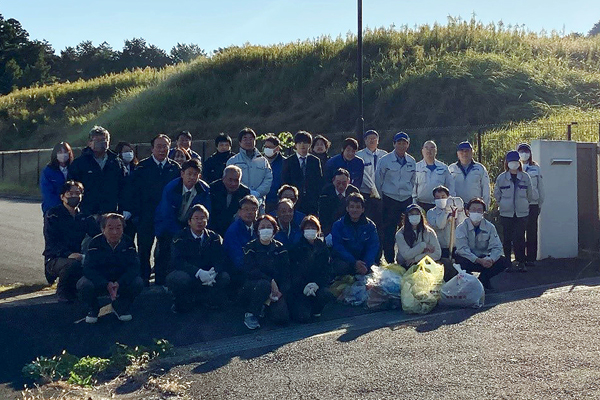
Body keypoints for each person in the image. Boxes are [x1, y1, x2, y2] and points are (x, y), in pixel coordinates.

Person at [131, 134, 181, 286]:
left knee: (164, 249)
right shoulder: (142, 167)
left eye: (165, 146)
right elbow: (133, 192)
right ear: (152, 148)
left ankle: (161, 280)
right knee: (144, 249)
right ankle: (144, 279)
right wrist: (136, 214)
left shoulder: (175, 168)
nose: (162, 149)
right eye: (158, 146)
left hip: (166, 216)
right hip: (146, 215)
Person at [76, 213, 144, 323]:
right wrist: (105, 283)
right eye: (110, 228)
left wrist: (119, 282)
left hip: (120, 280)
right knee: (83, 284)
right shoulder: (94, 243)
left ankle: (121, 306)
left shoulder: (128, 242)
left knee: (138, 282)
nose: (115, 232)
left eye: (118, 228)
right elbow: (88, 269)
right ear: (103, 229)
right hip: (101, 281)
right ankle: (93, 308)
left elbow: (134, 267)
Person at [154, 158, 211, 285]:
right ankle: (159, 284)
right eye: (189, 174)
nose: (192, 177)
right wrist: (179, 232)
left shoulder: (204, 189)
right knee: (164, 252)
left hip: (191, 224)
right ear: (182, 174)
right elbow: (166, 213)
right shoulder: (171, 187)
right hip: (168, 224)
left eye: (195, 174)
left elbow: (206, 212)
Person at [167, 205, 231, 313]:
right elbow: (177, 261)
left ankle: (208, 300)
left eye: (203, 218)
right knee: (179, 279)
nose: (199, 221)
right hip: (188, 273)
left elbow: (221, 257)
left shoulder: (214, 237)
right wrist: (198, 272)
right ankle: (181, 302)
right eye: (196, 218)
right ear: (189, 221)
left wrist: (214, 271)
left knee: (224, 277)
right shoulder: (179, 237)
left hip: (208, 274)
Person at [43, 181, 100, 302]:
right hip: (55, 258)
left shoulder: (84, 215)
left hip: (78, 255)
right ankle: (62, 292)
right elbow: (51, 241)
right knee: (72, 264)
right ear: (62, 196)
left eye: (77, 193)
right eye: (70, 193)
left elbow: (97, 235)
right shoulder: (53, 215)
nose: (74, 196)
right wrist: (68, 254)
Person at [241, 214, 290, 329]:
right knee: (264, 285)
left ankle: (266, 308)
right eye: (262, 227)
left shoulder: (280, 248)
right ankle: (251, 313)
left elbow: (286, 273)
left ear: (274, 230)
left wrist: (280, 291)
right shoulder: (250, 247)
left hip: (275, 290)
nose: (266, 229)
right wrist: (270, 281)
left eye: (269, 226)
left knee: (282, 318)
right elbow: (250, 271)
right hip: (255, 286)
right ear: (257, 230)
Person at [67, 126, 127, 218]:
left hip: (110, 213)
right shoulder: (79, 163)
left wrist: (124, 209)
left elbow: (124, 187)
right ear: (89, 143)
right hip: (87, 213)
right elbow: (72, 188)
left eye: (104, 140)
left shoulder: (116, 162)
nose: (101, 143)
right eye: (97, 140)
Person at [375, 132, 416, 263]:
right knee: (389, 231)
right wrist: (382, 196)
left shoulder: (412, 161)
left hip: (406, 199)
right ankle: (389, 260)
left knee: (408, 230)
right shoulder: (385, 160)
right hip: (390, 199)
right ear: (394, 144)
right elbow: (378, 179)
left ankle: (406, 259)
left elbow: (413, 180)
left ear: (408, 145)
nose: (401, 145)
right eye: (399, 143)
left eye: (404, 143)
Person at [454, 198, 510, 291]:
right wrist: (478, 260)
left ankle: (483, 280)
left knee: (503, 261)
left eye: (479, 210)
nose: (476, 212)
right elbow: (462, 249)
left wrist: (491, 259)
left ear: (483, 212)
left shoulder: (490, 227)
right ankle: (468, 283)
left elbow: (497, 247)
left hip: (485, 258)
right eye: (473, 210)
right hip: (469, 258)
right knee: (458, 259)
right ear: (467, 212)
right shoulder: (461, 227)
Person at [288, 215, 333, 322]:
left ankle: (317, 309)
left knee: (326, 294)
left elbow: (327, 271)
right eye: (307, 228)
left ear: (318, 230)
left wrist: (317, 284)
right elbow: (293, 271)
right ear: (302, 230)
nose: (310, 231)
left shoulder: (323, 248)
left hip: (317, 286)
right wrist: (303, 286)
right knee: (302, 318)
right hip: (300, 288)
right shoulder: (296, 248)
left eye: (313, 228)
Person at [494, 150, 533, 272]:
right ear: (507, 163)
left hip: (521, 213)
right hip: (506, 213)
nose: (513, 164)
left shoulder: (525, 177)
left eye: (515, 161)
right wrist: (503, 204)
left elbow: (530, 194)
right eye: (511, 161)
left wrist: (525, 204)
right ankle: (508, 263)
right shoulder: (502, 178)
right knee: (507, 238)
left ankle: (521, 262)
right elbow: (497, 194)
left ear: (519, 162)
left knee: (520, 238)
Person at [330, 193, 379, 277]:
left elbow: (373, 247)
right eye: (352, 207)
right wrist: (354, 262)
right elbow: (338, 247)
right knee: (341, 268)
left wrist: (366, 264)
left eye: (358, 207)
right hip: (345, 261)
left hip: (364, 262)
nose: (354, 210)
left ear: (363, 209)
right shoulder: (338, 225)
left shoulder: (370, 226)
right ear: (347, 208)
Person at [226, 128, 273, 206]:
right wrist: (246, 192)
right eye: (245, 139)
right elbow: (229, 180)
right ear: (240, 142)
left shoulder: (263, 161)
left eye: (251, 139)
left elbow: (268, 179)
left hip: (259, 202)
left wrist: (258, 193)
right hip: (238, 202)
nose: (248, 141)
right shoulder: (233, 161)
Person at [395, 204, 446, 276]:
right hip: (406, 266)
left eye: (417, 214)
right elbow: (406, 255)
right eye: (412, 214)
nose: (415, 216)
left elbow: (437, 254)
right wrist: (423, 246)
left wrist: (416, 258)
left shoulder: (429, 232)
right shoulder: (400, 234)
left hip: (426, 265)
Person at [281, 131, 323, 216]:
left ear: (310, 145)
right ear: (295, 145)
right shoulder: (288, 161)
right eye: (299, 143)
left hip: (312, 201)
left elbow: (319, 181)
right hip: (294, 201)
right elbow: (285, 181)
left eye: (305, 143)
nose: (302, 145)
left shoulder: (315, 161)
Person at [223, 195, 259, 290]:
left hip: (255, 270)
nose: (249, 212)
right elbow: (238, 260)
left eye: (253, 209)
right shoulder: (233, 230)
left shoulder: (258, 228)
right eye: (246, 209)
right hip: (237, 273)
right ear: (239, 212)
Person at [517, 143, 544, 266]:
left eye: (526, 151)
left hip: (533, 203)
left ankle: (531, 258)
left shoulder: (535, 168)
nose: (524, 153)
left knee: (532, 231)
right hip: (519, 204)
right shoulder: (514, 167)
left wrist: (540, 203)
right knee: (519, 231)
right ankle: (520, 258)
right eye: (521, 151)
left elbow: (540, 187)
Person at [356, 130, 387, 230]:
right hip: (366, 193)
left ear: (378, 141)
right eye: (370, 138)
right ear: (365, 140)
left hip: (382, 193)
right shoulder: (359, 155)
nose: (372, 141)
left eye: (375, 139)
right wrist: (372, 188)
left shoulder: (384, 155)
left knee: (381, 222)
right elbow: (362, 174)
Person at [209, 165, 250, 237]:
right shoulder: (213, 188)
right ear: (223, 178)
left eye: (236, 180)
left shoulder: (244, 192)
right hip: (213, 227)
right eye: (230, 180)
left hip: (233, 230)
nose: (233, 184)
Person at [413, 140, 455, 211]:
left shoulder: (444, 168)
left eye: (432, 148)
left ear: (436, 151)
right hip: (421, 205)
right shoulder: (416, 167)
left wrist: (449, 204)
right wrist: (414, 205)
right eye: (426, 148)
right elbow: (413, 189)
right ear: (422, 151)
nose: (429, 150)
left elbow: (450, 187)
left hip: (440, 205)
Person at [426, 185, 467, 259]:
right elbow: (440, 225)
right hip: (440, 247)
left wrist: (460, 211)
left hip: (455, 247)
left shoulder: (454, 210)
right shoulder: (431, 212)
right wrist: (445, 212)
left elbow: (462, 225)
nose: (440, 199)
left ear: (448, 197)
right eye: (437, 197)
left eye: (443, 197)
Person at [448, 141, 491, 209]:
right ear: (457, 154)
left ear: (472, 153)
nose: (464, 153)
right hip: (457, 208)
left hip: (475, 207)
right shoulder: (451, 168)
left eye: (467, 151)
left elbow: (486, 189)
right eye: (462, 151)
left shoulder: (480, 168)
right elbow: (448, 188)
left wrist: (485, 207)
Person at [318, 168, 359, 236]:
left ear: (348, 182)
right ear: (333, 181)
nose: (341, 186)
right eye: (338, 182)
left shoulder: (354, 191)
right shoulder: (326, 192)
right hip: (330, 228)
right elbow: (323, 217)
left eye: (344, 183)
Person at [40, 142, 74, 214]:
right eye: (60, 152)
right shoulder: (48, 171)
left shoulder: (74, 169)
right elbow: (48, 194)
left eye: (65, 152)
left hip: (72, 210)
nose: (63, 154)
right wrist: (62, 207)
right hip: (52, 210)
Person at [115, 141, 138, 240]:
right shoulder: (115, 168)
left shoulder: (137, 169)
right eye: (125, 151)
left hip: (133, 211)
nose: (129, 153)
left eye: (130, 151)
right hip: (119, 209)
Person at [263, 135, 284, 213]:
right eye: (266, 147)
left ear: (277, 148)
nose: (267, 149)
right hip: (262, 200)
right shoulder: (259, 161)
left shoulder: (285, 163)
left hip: (277, 201)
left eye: (270, 147)